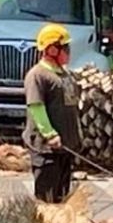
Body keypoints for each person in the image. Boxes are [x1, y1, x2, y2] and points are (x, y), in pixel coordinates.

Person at [23, 24, 81, 203]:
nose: (69, 52)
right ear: (52, 49)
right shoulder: (38, 75)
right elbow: (36, 106)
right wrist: (50, 134)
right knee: (46, 200)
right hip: (48, 149)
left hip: (65, 148)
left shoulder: (65, 75)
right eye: (66, 48)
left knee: (62, 198)